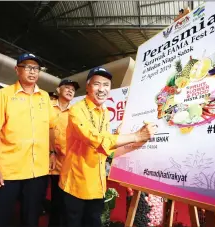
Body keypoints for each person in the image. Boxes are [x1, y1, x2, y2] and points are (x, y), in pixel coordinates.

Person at [59, 67, 158, 227]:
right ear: (88, 86)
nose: (102, 89)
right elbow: (95, 140)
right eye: (97, 84)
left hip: (97, 184)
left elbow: (106, 146)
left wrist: (126, 138)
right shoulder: (76, 110)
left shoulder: (104, 112)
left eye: (106, 85)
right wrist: (136, 136)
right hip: (76, 183)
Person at [0, 53, 56, 227]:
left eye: (36, 68)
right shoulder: (4, 95)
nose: (32, 71)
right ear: (17, 69)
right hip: (8, 172)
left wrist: (52, 152)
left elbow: (50, 127)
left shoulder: (44, 97)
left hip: (37, 172)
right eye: (27, 67)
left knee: (31, 219)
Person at [49, 79, 80, 227]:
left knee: (59, 200)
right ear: (58, 89)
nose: (70, 91)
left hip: (63, 163)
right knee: (34, 196)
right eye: (66, 88)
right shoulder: (47, 106)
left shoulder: (75, 112)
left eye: (72, 90)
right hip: (42, 159)